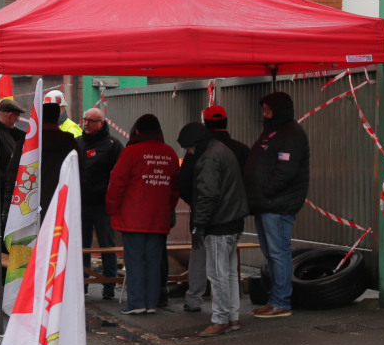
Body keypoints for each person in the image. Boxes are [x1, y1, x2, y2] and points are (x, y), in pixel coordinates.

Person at [176, 105, 250, 312]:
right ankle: (232, 315)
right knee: (229, 270)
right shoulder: (239, 149)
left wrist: (199, 214)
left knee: (213, 270)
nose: (188, 150)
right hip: (233, 217)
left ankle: (214, 313)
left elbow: (195, 188)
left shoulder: (203, 154)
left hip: (213, 221)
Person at [243, 91, 311, 319]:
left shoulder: (291, 133)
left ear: (279, 109)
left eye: (267, 109)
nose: (264, 113)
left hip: (277, 205)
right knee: (271, 254)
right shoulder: (273, 132)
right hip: (265, 204)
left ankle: (281, 302)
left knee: (278, 253)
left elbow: (286, 170)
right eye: (263, 109)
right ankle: (274, 300)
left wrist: (265, 190)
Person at [106, 113, 179, 315]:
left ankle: (137, 303)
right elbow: (175, 188)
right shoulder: (170, 153)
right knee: (154, 262)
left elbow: (116, 183)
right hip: (159, 217)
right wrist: (168, 208)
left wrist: (111, 208)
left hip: (133, 218)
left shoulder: (131, 152)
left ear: (137, 131)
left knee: (135, 260)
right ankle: (151, 302)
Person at [77, 106, 125, 299]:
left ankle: (109, 285)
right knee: (82, 245)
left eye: (91, 121)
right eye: (85, 120)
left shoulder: (113, 145)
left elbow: (119, 174)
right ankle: (82, 284)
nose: (86, 124)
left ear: (102, 123)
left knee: (107, 244)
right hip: (81, 202)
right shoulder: (78, 143)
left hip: (103, 204)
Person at [0, 97, 26, 236]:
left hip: (7, 192)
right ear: (9, 115)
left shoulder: (8, 133)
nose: (18, 119)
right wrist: (10, 181)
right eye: (17, 116)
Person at [39, 100, 80, 214]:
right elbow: (79, 168)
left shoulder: (33, 141)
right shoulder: (69, 140)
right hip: (63, 193)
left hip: (39, 196)